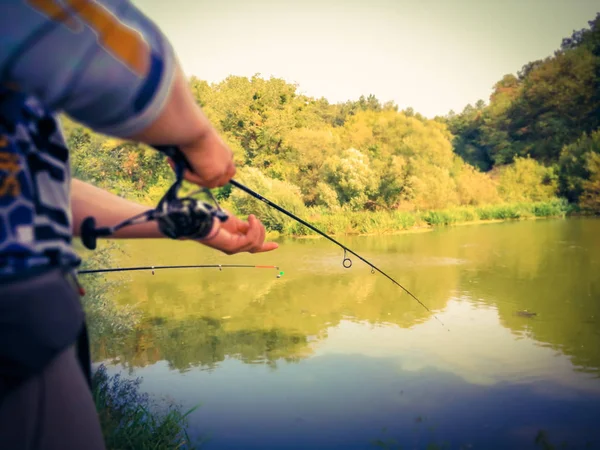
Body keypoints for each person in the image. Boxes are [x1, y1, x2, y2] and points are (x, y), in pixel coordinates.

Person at [0, 1, 278, 448]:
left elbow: (39, 195)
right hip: (17, 333)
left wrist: (182, 223)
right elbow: (84, 31)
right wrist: (197, 137)